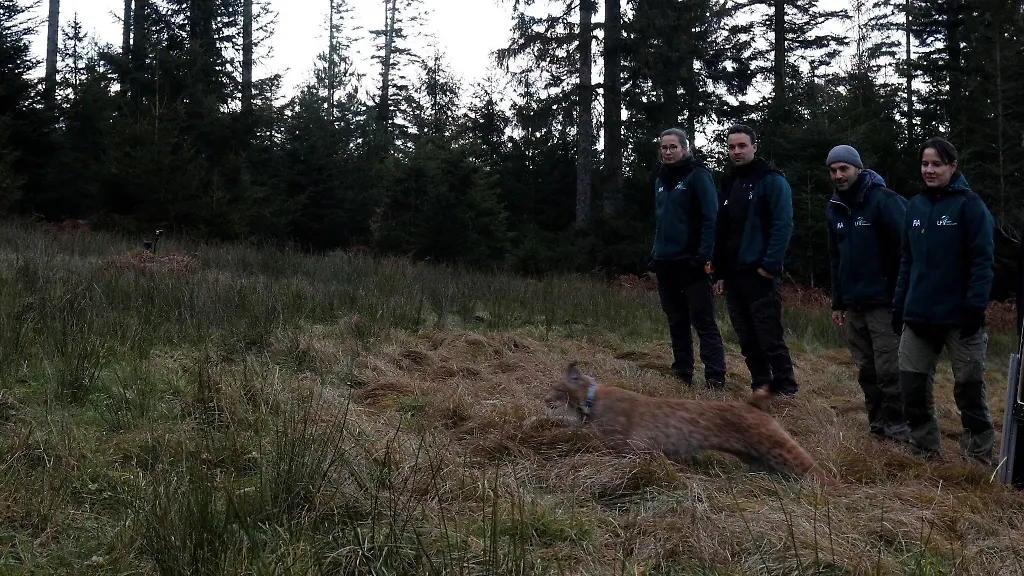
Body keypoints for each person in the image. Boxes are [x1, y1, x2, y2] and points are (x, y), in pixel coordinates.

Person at [892, 136, 996, 464]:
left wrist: (974, 308)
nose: (929, 170)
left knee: (969, 389)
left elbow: (983, 261)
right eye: (925, 164)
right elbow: (907, 260)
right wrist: (899, 305)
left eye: (937, 164)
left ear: (953, 167)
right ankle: (925, 451)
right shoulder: (915, 206)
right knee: (912, 387)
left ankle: (977, 458)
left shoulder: (970, 205)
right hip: (918, 316)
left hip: (960, 318)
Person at [825, 144, 910, 443]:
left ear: (857, 169)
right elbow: (835, 258)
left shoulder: (883, 200)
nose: (838, 175)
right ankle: (878, 427)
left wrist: (901, 294)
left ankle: (899, 430)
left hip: (884, 302)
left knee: (890, 370)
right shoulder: (834, 207)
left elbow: (908, 249)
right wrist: (838, 301)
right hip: (854, 304)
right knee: (866, 370)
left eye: (844, 169)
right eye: (833, 170)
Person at [711, 124, 797, 397]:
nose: (736, 151)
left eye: (742, 146)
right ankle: (760, 385)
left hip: (760, 274)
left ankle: (786, 388)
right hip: (734, 275)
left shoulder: (772, 181)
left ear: (754, 147)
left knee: (769, 336)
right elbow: (722, 230)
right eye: (731, 147)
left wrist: (769, 266)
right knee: (746, 338)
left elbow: (783, 225)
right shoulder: (729, 182)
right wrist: (720, 273)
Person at [650, 127, 727, 389]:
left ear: (685, 148)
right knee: (676, 321)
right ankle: (682, 372)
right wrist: (655, 254)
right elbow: (661, 222)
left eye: (673, 147)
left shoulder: (698, 175)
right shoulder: (661, 180)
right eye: (664, 147)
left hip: (692, 264)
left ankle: (715, 377)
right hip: (666, 263)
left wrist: (703, 257)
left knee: (703, 322)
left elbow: (711, 219)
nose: (668, 152)